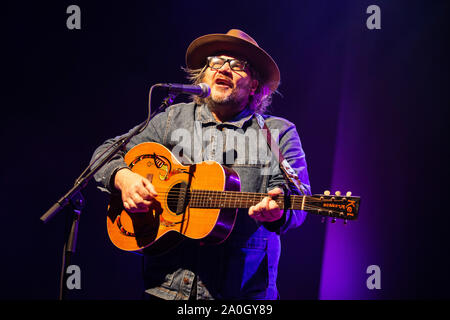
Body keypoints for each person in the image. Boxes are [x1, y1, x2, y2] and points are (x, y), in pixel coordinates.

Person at [91, 29, 311, 300]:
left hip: (239, 295)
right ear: (204, 74)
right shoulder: (172, 118)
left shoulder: (278, 132)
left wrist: (279, 211)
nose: (224, 68)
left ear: (254, 84)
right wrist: (124, 178)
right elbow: (105, 154)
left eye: (237, 64)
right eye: (216, 61)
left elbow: (298, 200)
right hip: (165, 290)